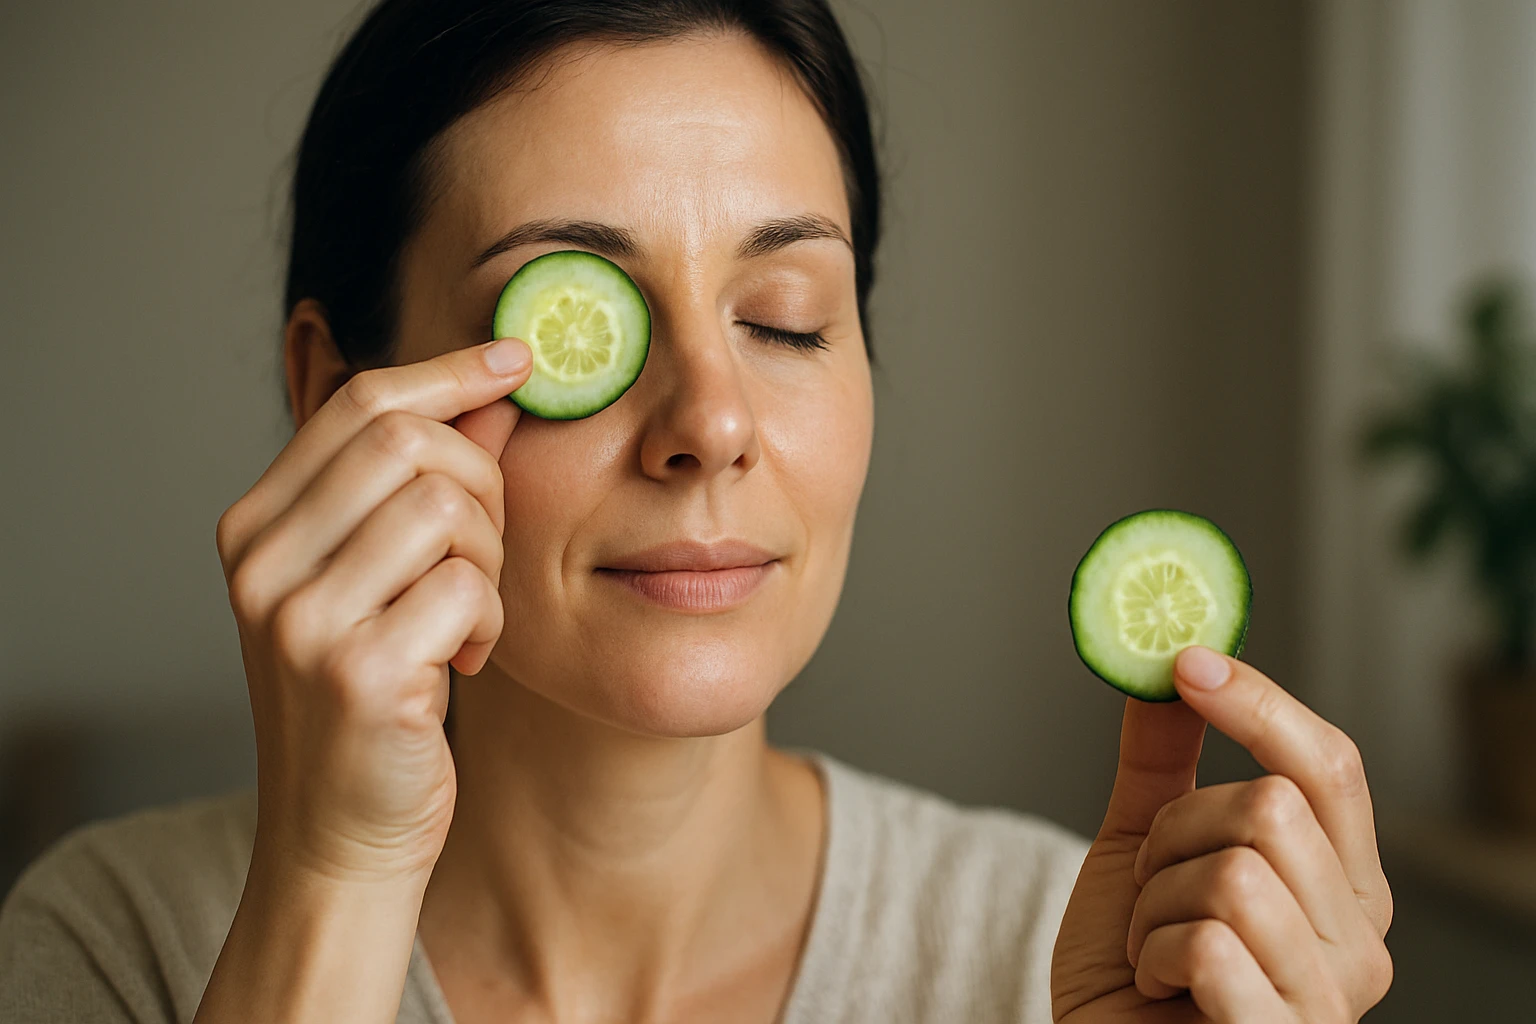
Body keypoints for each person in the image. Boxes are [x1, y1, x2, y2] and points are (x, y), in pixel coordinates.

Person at [0, 1, 1393, 1021]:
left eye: (784, 320)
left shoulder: (1078, 954)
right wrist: (334, 879)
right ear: (335, 391)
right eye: (571, 326)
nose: (711, 423)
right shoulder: (118, 945)